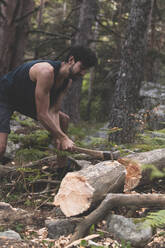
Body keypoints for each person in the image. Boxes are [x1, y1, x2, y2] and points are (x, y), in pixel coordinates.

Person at [0, 46, 97, 162]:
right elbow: (42, 115)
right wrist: (62, 137)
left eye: (86, 70)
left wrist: (58, 135)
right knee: (1, 147)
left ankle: (61, 165)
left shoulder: (67, 82)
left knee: (63, 120)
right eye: (82, 68)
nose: (83, 73)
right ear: (71, 60)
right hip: (4, 97)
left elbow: (54, 110)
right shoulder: (46, 71)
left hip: (25, 101)